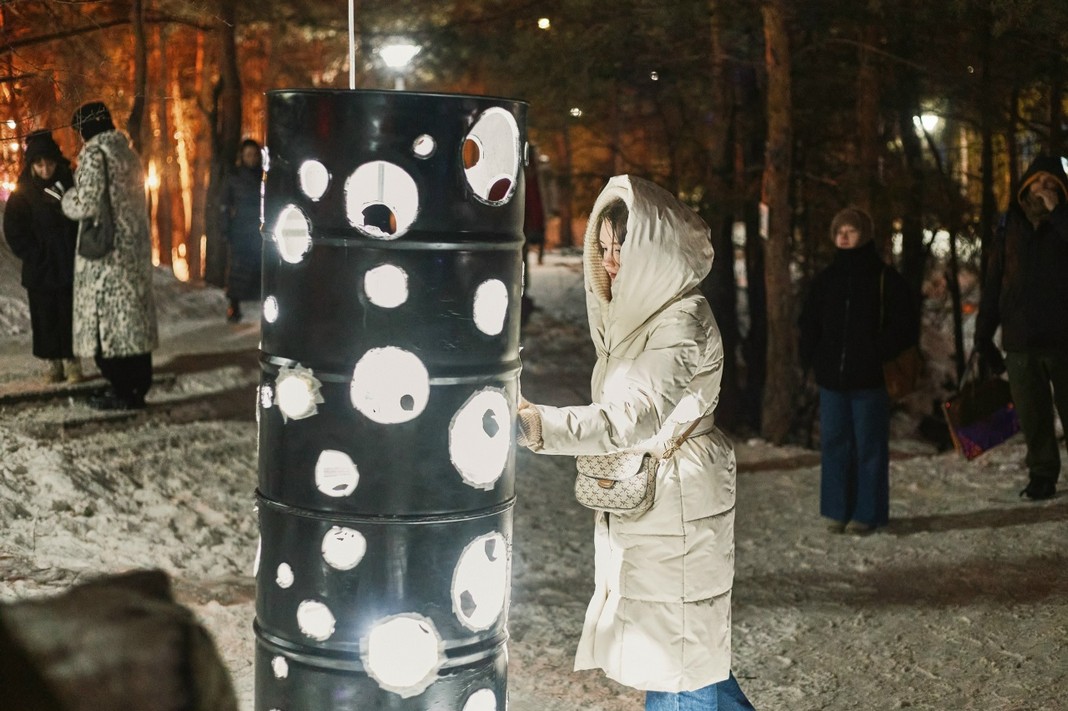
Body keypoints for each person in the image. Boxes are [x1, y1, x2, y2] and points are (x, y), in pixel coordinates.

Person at [516, 175, 755, 710]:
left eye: (621, 249)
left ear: (653, 251)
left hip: (679, 499)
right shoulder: (638, 316)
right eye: (602, 248)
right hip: (653, 496)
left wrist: (541, 424)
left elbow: (632, 415)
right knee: (684, 656)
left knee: (678, 664)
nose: (609, 262)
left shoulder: (682, 319)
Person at [798, 207, 918, 535]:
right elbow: (809, 322)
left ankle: (867, 512)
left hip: (870, 378)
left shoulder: (884, 279)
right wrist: (812, 358)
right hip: (832, 379)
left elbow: (905, 326)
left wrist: (876, 352)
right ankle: (837, 510)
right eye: (839, 231)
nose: (843, 236)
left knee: (869, 446)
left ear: (864, 235)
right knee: (834, 443)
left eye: (850, 230)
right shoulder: (826, 280)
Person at [975, 154, 1068, 501]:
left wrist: (1058, 213)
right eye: (1037, 181)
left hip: (1063, 338)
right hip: (1020, 339)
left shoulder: (1064, 220)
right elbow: (995, 280)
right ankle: (1042, 474)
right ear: (1025, 186)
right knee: (1033, 415)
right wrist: (984, 332)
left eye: (1050, 182)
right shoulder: (1008, 225)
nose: (1043, 187)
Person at [61, 101, 158, 410]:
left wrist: (66, 199)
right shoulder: (127, 153)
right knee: (132, 325)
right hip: (132, 251)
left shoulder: (94, 154)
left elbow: (87, 203)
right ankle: (136, 389)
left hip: (106, 256)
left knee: (108, 326)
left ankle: (121, 390)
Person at [2, 130, 83, 384]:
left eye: (49, 163)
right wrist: (33, 254)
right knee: (45, 316)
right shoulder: (23, 192)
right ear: (32, 165)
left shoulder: (69, 183)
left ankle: (72, 362)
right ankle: (53, 363)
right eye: (39, 164)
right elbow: (13, 229)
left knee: (69, 315)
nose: (45, 169)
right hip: (40, 268)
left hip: (68, 264)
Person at [221, 138, 264, 323]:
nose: (251, 158)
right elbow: (224, 204)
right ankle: (234, 306)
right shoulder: (234, 177)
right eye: (248, 155)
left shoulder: (264, 176)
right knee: (238, 269)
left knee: (261, 267)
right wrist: (225, 228)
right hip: (240, 229)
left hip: (259, 228)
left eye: (254, 155)